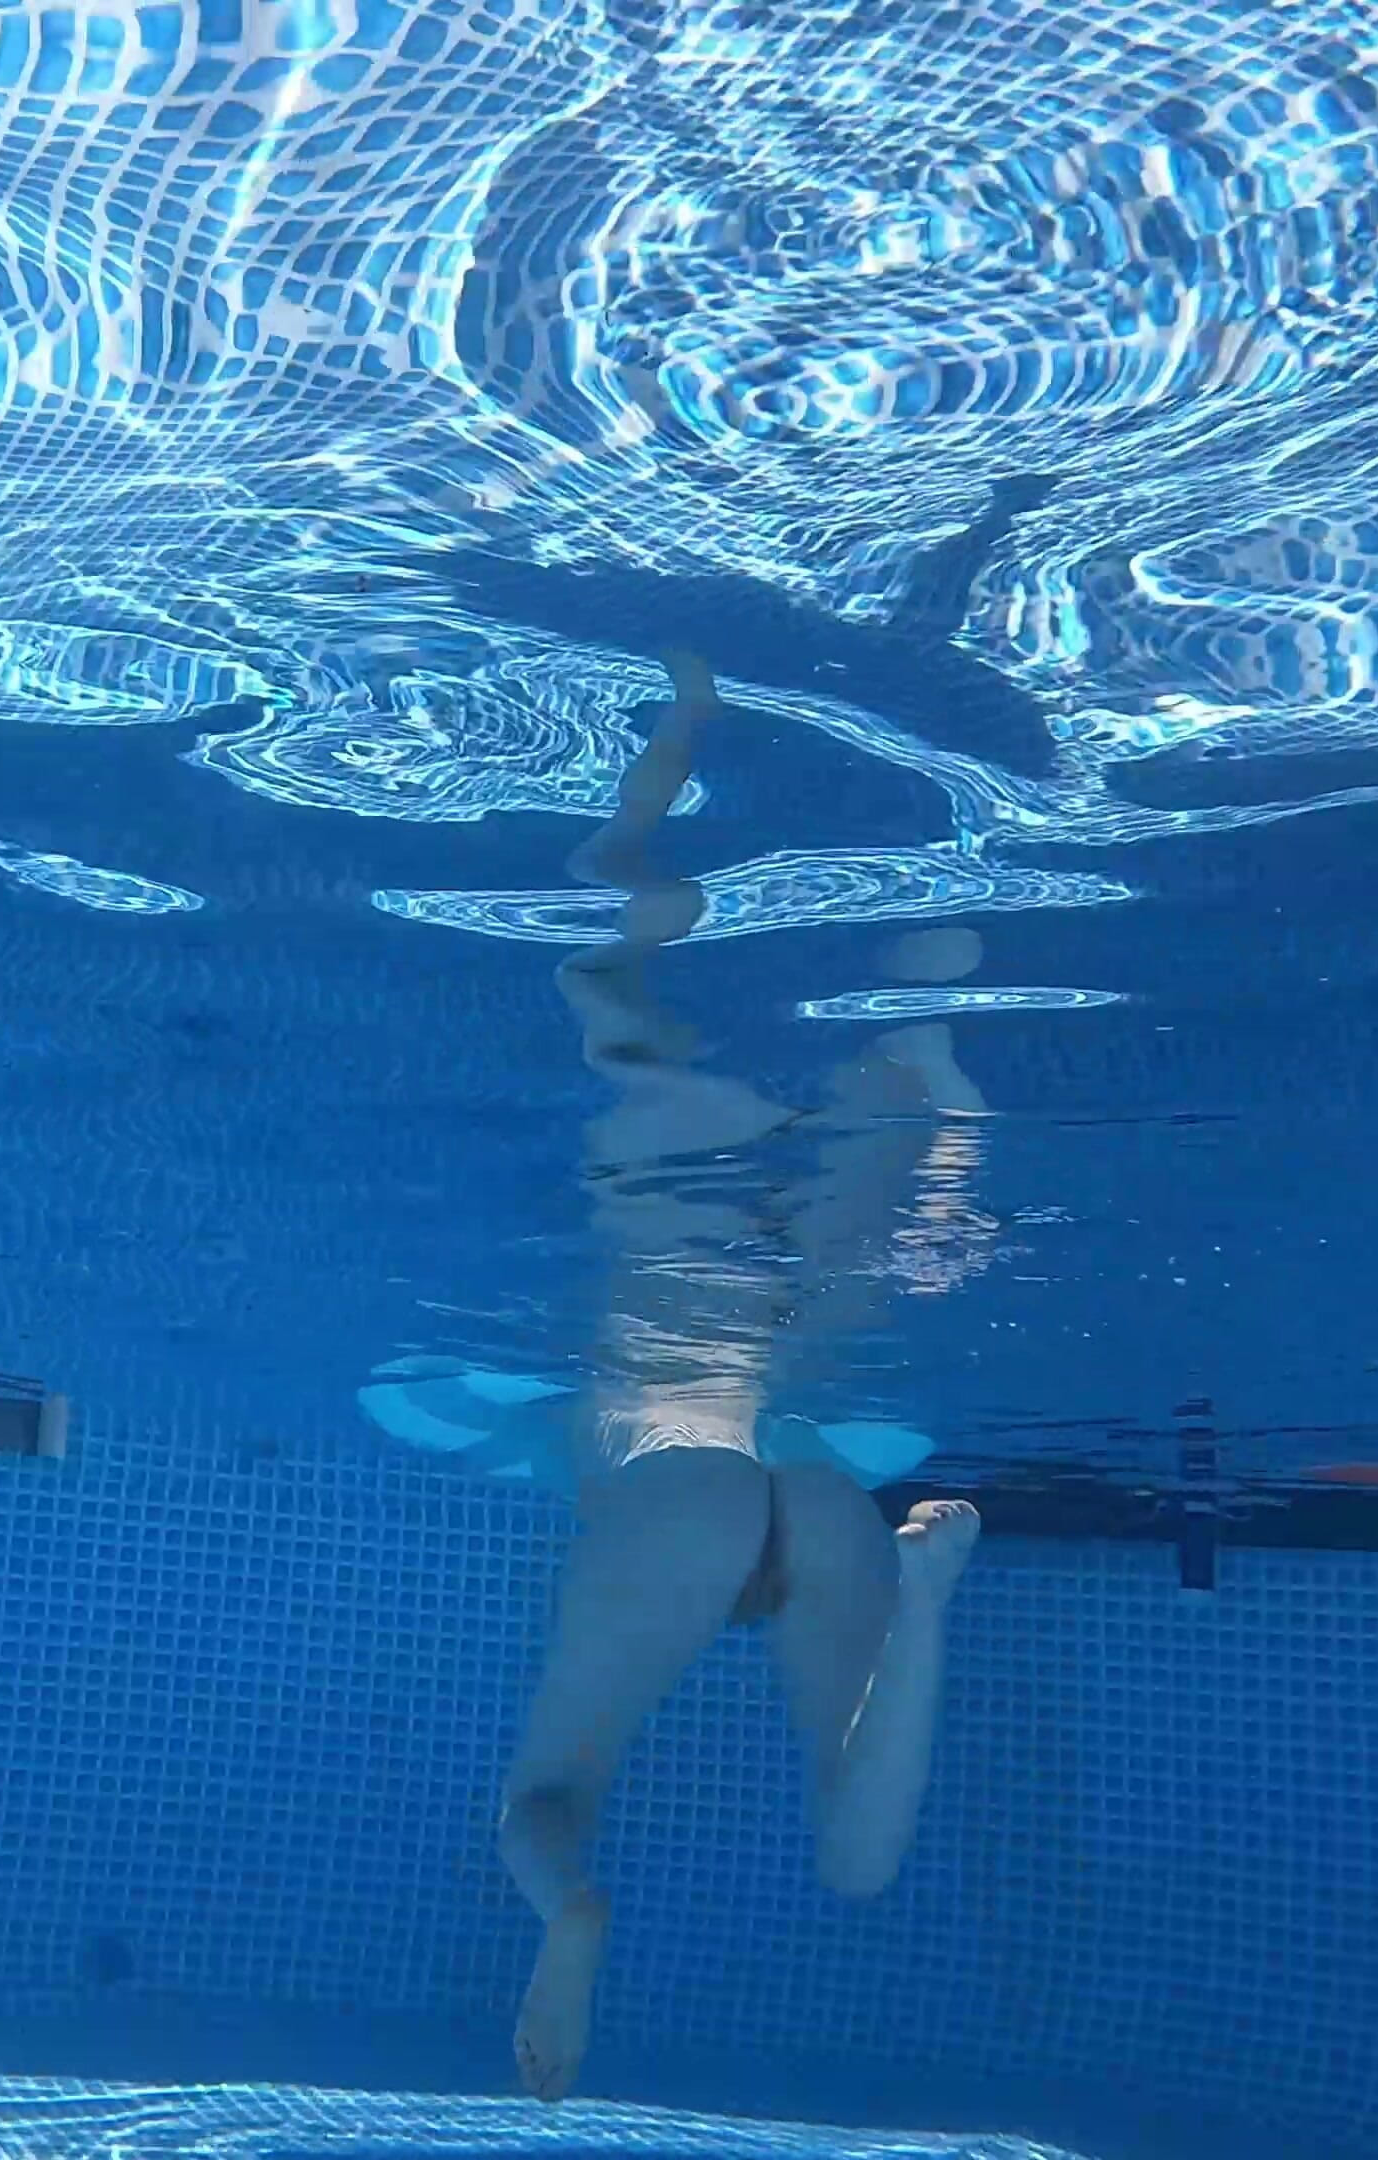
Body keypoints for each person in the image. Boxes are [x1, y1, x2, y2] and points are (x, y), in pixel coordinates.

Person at [376, 649, 989, 2101]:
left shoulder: (690, 1414)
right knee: (611, 964)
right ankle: (732, 722)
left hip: (758, 1476)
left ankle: (930, 1610)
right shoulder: (605, 1349)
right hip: (707, 1466)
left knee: (598, 1806)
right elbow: (538, 1811)